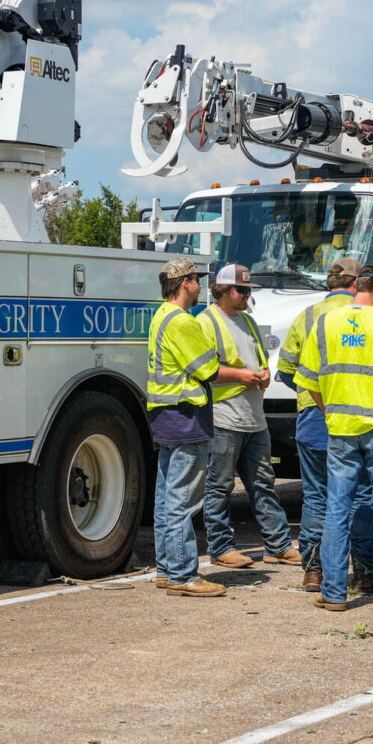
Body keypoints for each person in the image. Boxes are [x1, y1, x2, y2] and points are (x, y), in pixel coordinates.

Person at [296, 262, 373, 612]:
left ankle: (334, 593)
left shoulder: (325, 323)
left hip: (340, 430)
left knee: (336, 509)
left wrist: (332, 412)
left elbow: (308, 381)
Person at [276, 256, 373, 594]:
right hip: (360, 417)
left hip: (313, 418)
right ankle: (364, 572)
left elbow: (287, 369)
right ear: (355, 283)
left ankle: (314, 571)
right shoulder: (372, 318)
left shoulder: (307, 317)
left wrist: (313, 394)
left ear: (328, 283)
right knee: (361, 496)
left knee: (317, 497)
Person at [200, 264, 300, 569]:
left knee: (263, 484)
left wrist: (264, 374)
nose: (247, 295)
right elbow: (204, 370)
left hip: (254, 418)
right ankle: (220, 547)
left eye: (248, 290)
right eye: (242, 290)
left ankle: (278, 545)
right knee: (220, 486)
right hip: (224, 418)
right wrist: (243, 376)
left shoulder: (248, 321)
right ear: (224, 290)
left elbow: (257, 360)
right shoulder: (207, 322)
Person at [145, 256, 234, 597]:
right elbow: (208, 369)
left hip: (165, 416)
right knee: (183, 500)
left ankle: (168, 570)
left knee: (167, 499)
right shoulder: (183, 322)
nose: (201, 287)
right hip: (186, 417)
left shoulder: (160, 317)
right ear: (185, 283)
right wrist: (246, 375)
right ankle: (184, 574)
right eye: (198, 280)